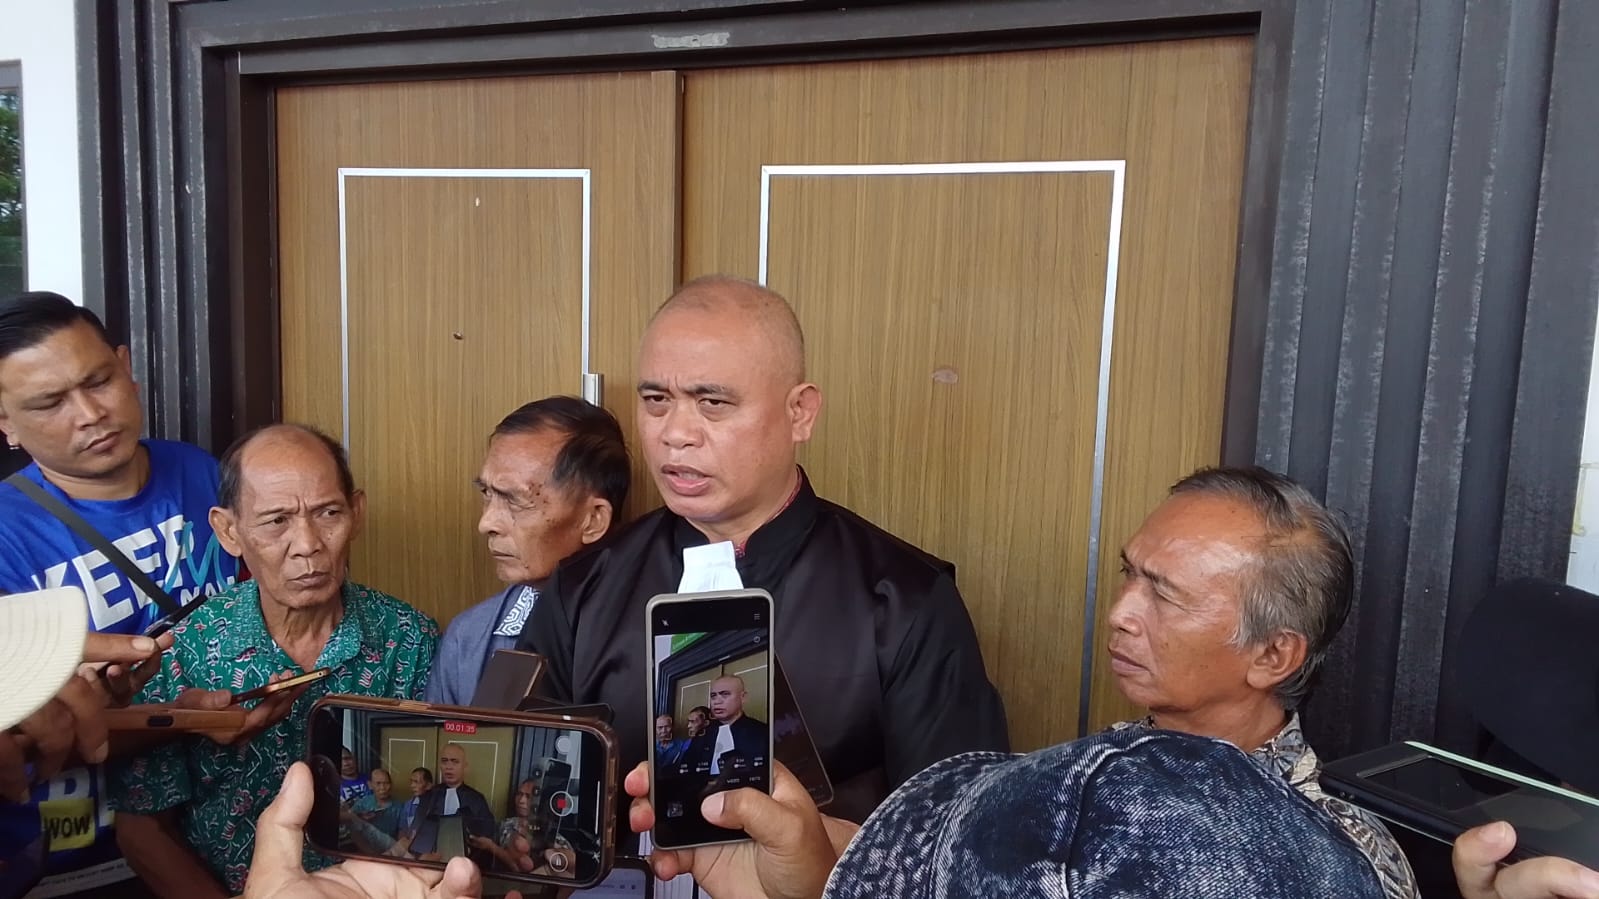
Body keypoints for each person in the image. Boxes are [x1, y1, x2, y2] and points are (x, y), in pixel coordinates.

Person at [620, 465, 1422, 897]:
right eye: (1128, 574)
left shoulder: (1328, 859)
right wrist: (806, 859)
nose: (1120, 612)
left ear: (1273, 655)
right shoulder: (1086, 778)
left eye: (1164, 594)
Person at [520, 275, 1008, 825]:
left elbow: (960, 840)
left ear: (800, 412)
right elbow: (528, 803)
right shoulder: (582, 589)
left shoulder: (904, 603)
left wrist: (815, 851)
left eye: (712, 403)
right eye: (656, 400)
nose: (676, 433)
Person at [110, 423, 439, 896]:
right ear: (228, 531)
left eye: (328, 513)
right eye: (276, 521)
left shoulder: (410, 639)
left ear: (357, 513)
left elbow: (426, 805)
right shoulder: (186, 648)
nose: (307, 544)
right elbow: (142, 828)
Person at [0, 291, 240, 894]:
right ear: (5, 422)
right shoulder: (5, 535)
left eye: (99, 380)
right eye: (50, 402)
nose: (90, 414)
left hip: (204, 834)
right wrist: (179, 719)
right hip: (62, 863)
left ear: (127, 367)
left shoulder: (201, 472)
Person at [426, 397, 628, 707]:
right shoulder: (468, 638)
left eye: (515, 500)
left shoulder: (645, 632)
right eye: (487, 493)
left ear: (593, 519)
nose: (486, 523)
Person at [405, 743, 496, 859]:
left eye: (455, 762)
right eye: (444, 761)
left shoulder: (476, 799)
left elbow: (487, 837)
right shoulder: (428, 796)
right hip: (428, 860)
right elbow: (415, 833)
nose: (449, 767)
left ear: (465, 766)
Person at [688, 675, 767, 775]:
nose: (717, 701)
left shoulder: (763, 732)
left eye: (725, 694)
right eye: (713, 696)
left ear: (743, 697)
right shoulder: (702, 734)